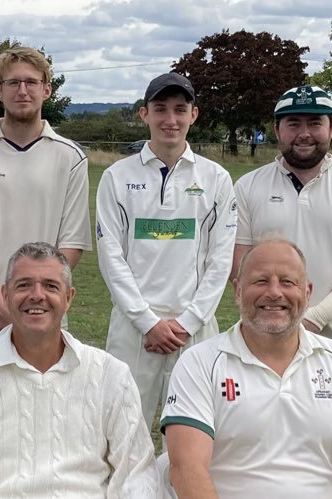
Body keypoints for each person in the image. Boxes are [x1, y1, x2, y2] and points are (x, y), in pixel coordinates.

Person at [153, 239, 332, 498]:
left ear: (308, 293)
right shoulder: (200, 363)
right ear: (238, 290)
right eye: (261, 281)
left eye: (288, 282)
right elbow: (187, 469)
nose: (275, 292)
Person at [0, 242, 154, 498]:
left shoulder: (110, 375)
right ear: (5, 295)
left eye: (50, 286)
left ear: (69, 298)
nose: (37, 295)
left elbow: (137, 474)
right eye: (23, 285)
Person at [96, 72, 236, 431]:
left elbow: (220, 261)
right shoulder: (116, 177)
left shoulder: (216, 178)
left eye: (179, 109)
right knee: (124, 433)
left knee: (194, 437)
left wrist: (187, 322)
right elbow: (111, 258)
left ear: (194, 114)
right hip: (134, 331)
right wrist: (147, 322)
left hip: (195, 330)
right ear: (144, 114)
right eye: (160, 109)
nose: (170, 120)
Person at [0, 46, 91, 350]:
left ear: (47, 90)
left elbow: (72, 243)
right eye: (13, 83)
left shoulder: (71, 157)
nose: (22, 90)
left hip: (43, 312)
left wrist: (26, 301)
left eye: (31, 82)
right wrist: (3, 307)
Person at [233, 85, 332, 352]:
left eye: (315, 123)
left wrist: (314, 319)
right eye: (293, 124)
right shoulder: (247, 187)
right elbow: (239, 265)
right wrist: (281, 319)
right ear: (276, 130)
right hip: (263, 344)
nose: (304, 134)